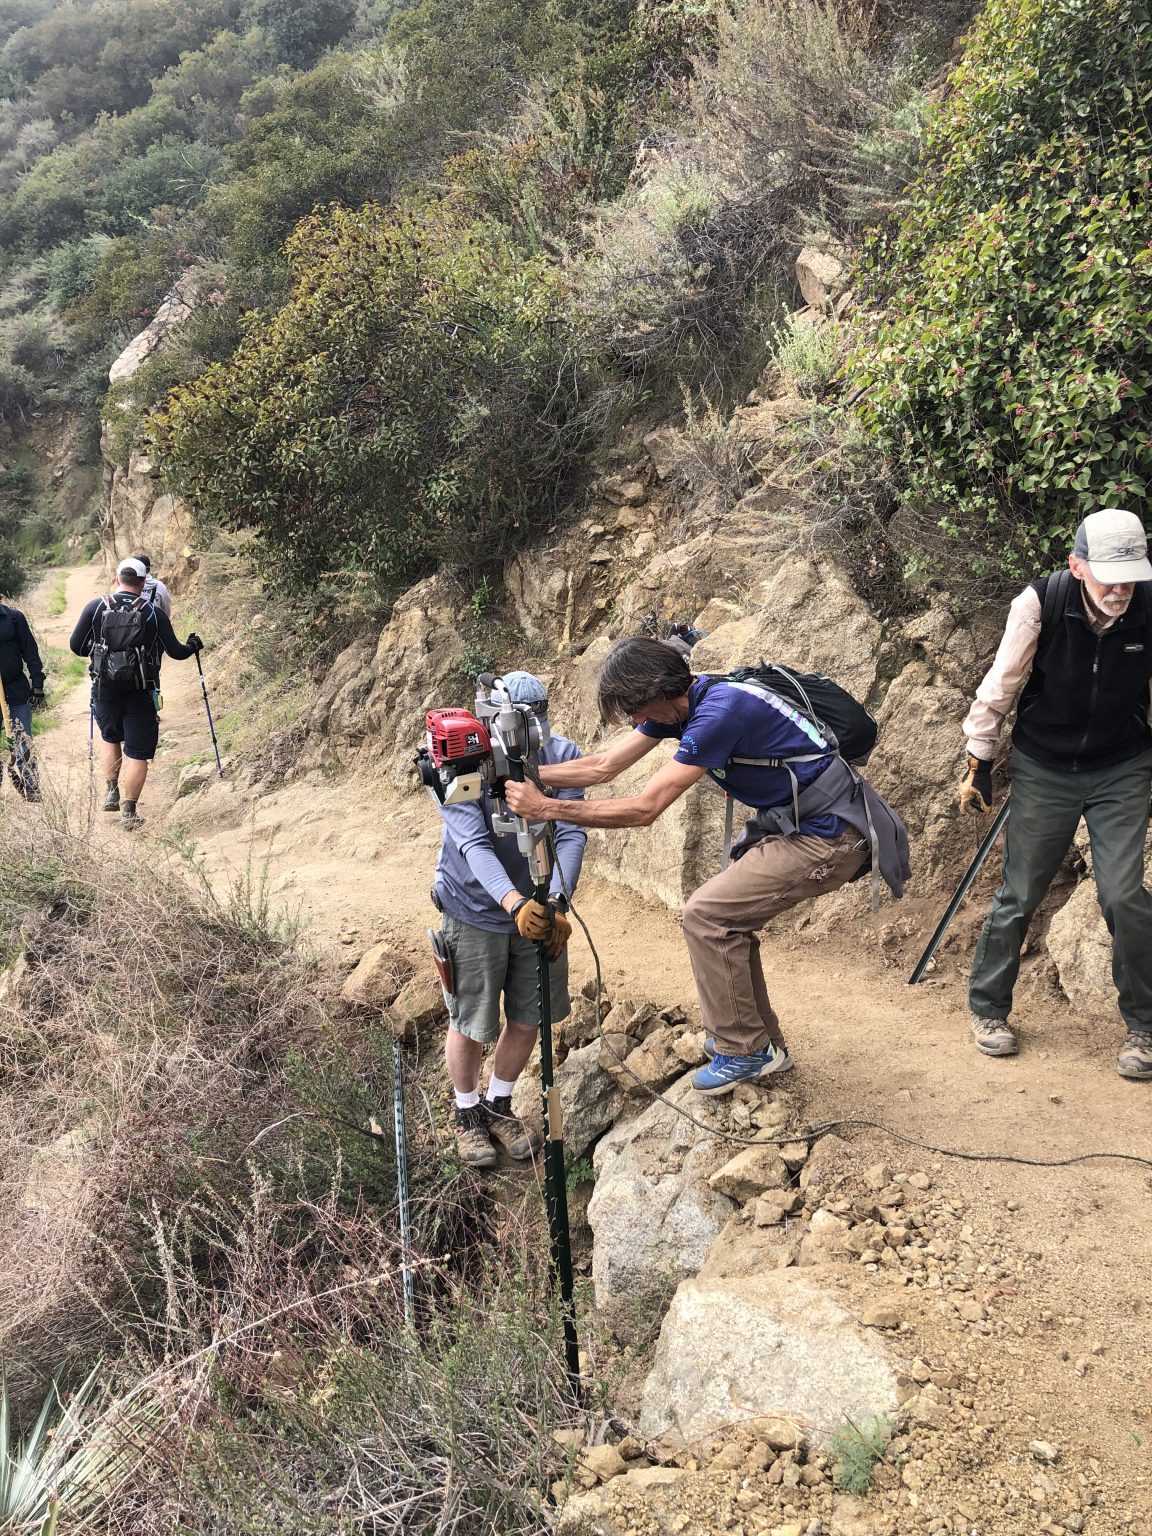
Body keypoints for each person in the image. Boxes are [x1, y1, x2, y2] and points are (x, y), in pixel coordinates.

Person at [505, 638, 909, 1094]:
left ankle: (745, 1051)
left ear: (658, 693)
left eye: (636, 711)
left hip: (831, 834)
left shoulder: (719, 713)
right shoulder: (688, 700)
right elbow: (602, 766)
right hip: (799, 826)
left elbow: (645, 808)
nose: (636, 722)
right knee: (724, 919)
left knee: (708, 915)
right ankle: (761, 1045)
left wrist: (546, 809)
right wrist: (520, 774)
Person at [960, 507, 1152, 1079]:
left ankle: (1143, 1025)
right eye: (1108, 574)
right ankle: (988, 1010)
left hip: (1122, 764)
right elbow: (1001, 687)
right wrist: (979, 761)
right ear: (1076, 564)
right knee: (1021, 890)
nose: (1120, 588)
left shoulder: (1146, 603)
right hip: (1046, 764)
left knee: (1124, 896)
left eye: (1130, 575)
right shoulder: (1040, 603)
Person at [434, 671, 587, 1167]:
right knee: (472, 1018)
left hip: (540, 903)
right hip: (476, 908)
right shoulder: (460, 758)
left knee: (528, 1012)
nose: (531, 738)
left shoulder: (561, 756)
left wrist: (557, 902)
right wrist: (514, 903)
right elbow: (475, 844)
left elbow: (570, 833)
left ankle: (499, 1104)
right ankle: (466, 1114)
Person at [69, 557, 202, 831]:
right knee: (138, 753)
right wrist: (193, 646)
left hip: (105, 689)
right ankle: (129, 812)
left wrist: (100, 652)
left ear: (117, 579)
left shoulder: (96, 607)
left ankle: (111, 792)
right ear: (143, 583)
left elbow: (77, 646)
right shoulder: (153, 612)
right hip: (142, 691)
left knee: (110, 737)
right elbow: (175, 651)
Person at [0, 598, 46, 801]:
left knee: (24, 744)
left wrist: (37, 683)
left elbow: (30, 651)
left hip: (17, 692)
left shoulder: (14, 618)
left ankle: (31, 789)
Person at [133, 553, 173, 617]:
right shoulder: (159, 586)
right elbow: (166, 609)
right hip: (155, 624)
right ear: (149, 569)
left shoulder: (126, 587)